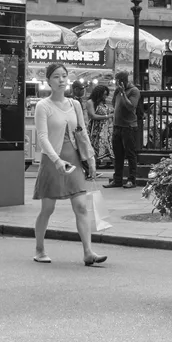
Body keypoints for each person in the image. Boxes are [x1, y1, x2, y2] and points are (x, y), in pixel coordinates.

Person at [31, 63, 106, 266]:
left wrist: (91, 159)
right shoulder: (42, 106)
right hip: (52, 161)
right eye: (56, 77)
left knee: (81, 206)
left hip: (73, 159)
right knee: (47, 208)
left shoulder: (75, 104)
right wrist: (56, 160)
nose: (61, 80)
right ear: (48, 81)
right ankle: (39, 249)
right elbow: (43, 137)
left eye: (64, 76)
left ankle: (88, 252)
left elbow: (82, 133)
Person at [105, 70, 140, 189]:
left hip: (129, 127)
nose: (117, 84)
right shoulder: (117, 91)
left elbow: (131, 107)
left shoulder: (134, 91)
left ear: (125, 81)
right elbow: (114, 104)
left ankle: (131, 179)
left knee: (130, 154)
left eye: (119, 82)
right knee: (118, 154)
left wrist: (123, 94)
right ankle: (117, 179)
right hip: (117, 126)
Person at [87, 83, 114, 168]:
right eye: (104, 94)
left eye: (106, 94)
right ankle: (91, 170)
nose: (105, 96)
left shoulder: (103, 104)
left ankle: (118, 173)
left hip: (106, 131)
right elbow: (92, 115)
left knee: (111, 151)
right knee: (94, 150)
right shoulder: (90, 102)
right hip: (95, 130)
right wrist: (107, 116)